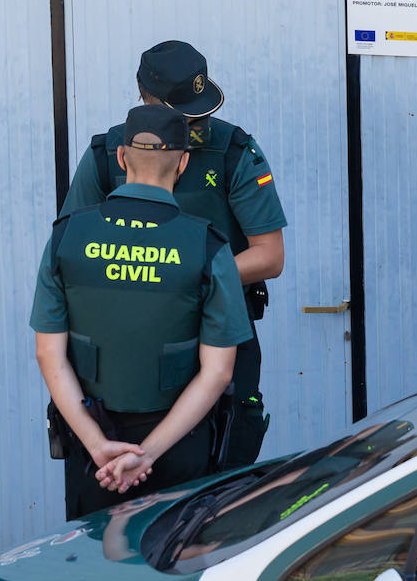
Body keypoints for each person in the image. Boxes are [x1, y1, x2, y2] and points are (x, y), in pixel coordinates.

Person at [62, 40, 284, 469]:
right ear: (144, 97)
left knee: (218, 477)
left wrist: (182, 276)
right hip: (124, 351)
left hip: (215, 336)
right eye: (185, 112)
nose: (198, 123)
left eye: (202, 110)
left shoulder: (233, 152)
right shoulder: (108, 154)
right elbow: (70, 254)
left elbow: (270, 256)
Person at [32, 105, 252, 519]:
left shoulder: (67, 236)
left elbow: (48, 354)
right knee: (175, 555)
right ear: (183, 164)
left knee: (94, 554)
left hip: (93, 453)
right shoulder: (208, 245)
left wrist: (98, 446)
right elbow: (218, 372)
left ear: (120, 158)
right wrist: (147, 453)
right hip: (180, 448)